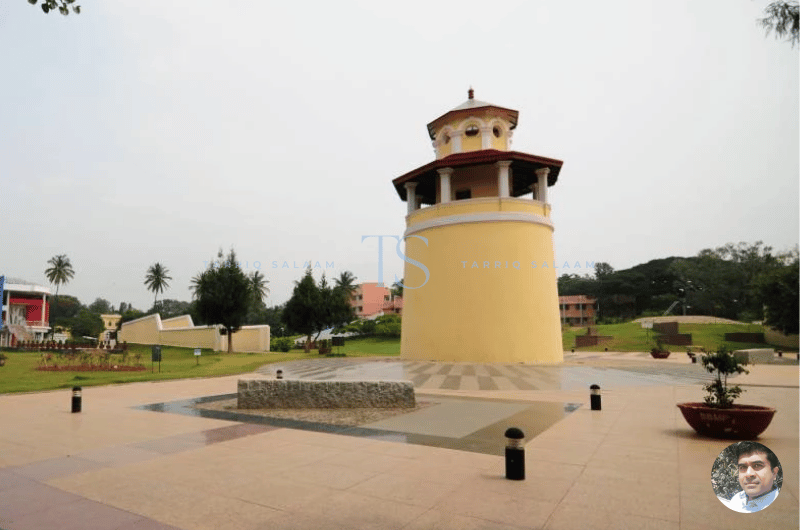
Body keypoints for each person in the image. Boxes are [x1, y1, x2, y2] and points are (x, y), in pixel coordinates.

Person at [719, 442, 781, 513]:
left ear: (774, 473)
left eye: (757, 465)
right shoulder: (737, 499)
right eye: (743, 467)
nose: (748, 474)